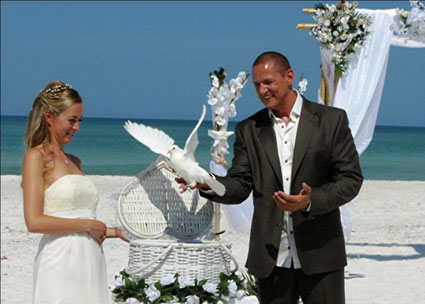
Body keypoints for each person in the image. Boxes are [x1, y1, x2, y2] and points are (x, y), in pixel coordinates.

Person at [180, 51, 363, 303]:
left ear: (289, 76)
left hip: (321, 254)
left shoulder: (331, 121)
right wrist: (207, 181)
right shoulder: (249, 129)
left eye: (268, 82)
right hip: (270, 259)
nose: (262, 90)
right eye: (257, 85)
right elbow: (240, 185)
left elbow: (350, 179)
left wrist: (310, 201)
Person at [22, 80, 129, 303]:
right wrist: (88, 225)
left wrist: (110, 231)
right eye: (71, 120)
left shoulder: (75, 162)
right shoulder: (36, 157)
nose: (77, 127)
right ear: (49, 117)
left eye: (79, 120)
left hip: (90, 257)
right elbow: (34, 222)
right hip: (59, 259)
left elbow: (78, 216)